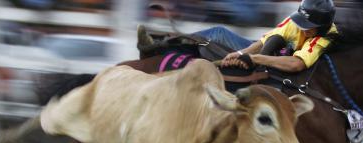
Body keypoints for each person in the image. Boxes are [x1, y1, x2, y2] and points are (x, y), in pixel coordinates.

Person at [138, 0, 338, 73]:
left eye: (308, 28)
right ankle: (160, 47)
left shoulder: (325, 38)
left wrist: (254, 58)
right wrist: (241, 53)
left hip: (279, 60)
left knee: (218, 35)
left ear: (322, 27)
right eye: (301, 24)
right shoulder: (296, 22)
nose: (303, 29)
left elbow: (296, 64)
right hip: (272, 53)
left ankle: (160, 49)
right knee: (218, 33)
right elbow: (265, 41)